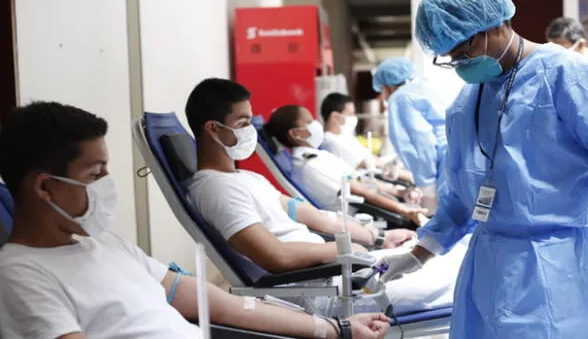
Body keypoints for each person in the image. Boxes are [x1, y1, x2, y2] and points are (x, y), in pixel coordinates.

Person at [376, 0, 588, 339]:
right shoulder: (466, 103)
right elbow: (459, 198)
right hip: (484, 266)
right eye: (450, 56)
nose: (459, 62)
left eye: (464, 49)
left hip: (551, 265)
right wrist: (419, 253)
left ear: (497, 23)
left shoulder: (569, 76)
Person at [0, 101, 391, 339]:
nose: (107, 185)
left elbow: (219, 304)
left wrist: (334, 329)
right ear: (46, 188)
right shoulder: (21, 275)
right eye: (94, 174)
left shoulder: (105, 245)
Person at [185, 78, 469, 316]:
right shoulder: (215, 188)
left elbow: (311, 215)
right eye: (243, 122)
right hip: (323, 290)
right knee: (462, 275)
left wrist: (377, 239)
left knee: (453, 254)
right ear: (213, 128)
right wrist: (343, 252)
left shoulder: (247, 179)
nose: (249, 132)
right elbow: (276, 256)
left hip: (340, 273)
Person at [265, 104, 428, 226]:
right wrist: (402, 209)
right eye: (309, 121)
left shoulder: (317, 155)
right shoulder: (309, 165)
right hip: (363, 218)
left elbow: (359, 181)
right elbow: (360, 191)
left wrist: (399, 192)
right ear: (295, 133)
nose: (315, 124)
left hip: (371, 208)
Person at [372, 57, 458, 213]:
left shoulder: (399, 98)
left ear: (387, 86)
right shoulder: (424, 87)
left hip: (445, 165)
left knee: (445, 223)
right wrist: (398, 163)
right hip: (458, 156)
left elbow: (421, 145)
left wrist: (427, 187)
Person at [320, 92, 413, 183]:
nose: (354, 117)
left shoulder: (344, 137)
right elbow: (367, 164)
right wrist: (410, 177)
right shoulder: (331, 143)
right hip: (369, 183)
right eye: (350, 114)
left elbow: (372, 158)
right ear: (335, 116)